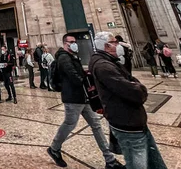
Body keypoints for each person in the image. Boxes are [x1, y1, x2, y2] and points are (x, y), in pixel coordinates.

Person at [89, 32, 168, 169]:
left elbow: (130, 79)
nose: (118, 45)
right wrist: (141, 90)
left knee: (154, 161)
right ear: (107, 46)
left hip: (133, 120)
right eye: (115, 42)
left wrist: (135, 85)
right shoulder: (104, 66)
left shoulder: (111, 62)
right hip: (126, 122)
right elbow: (133, 91)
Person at [47, 34, 125, 169]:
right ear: (65, 43)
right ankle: (54, 148)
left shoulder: (72, 56)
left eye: (75, 42)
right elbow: (74, 77)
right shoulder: (64, 57)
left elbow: (78, 74)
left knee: (96, 124)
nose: (74, 44)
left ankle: (110, 160)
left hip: (83, 97)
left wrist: (86, 75)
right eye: (71, 42)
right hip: (73, 98)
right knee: (70, 124)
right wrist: (88, 82)